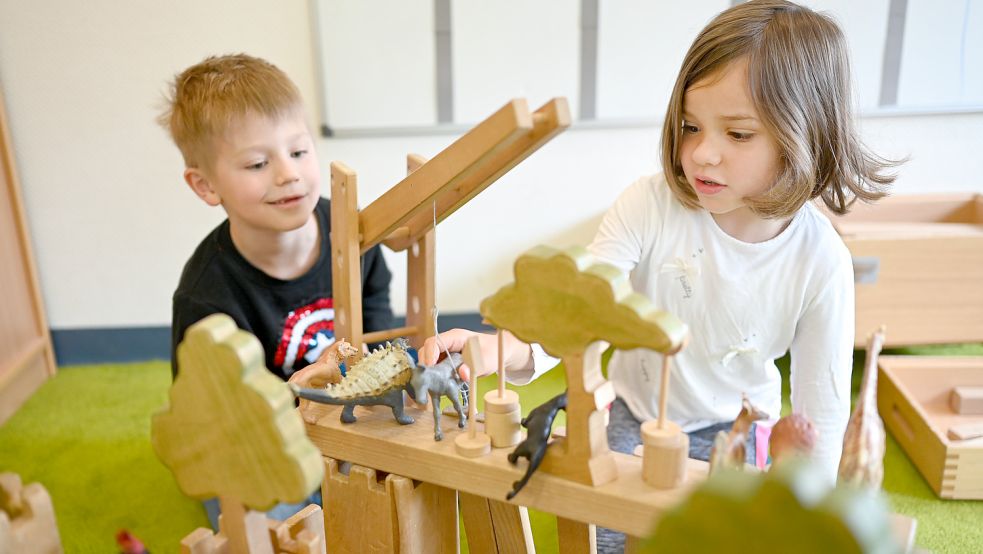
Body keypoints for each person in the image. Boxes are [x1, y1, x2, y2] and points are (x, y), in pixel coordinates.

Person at [422, 2, 899, 549]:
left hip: (741, 428)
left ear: (805, 136)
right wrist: (505, 350)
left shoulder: (822, 262)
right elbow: (579, 308)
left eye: (738, 134)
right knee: (612, 538)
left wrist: (814, 512)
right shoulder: (648, 206)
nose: (702, 153)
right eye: (691, 126)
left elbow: (823, 411)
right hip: (640, 413)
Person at [159, 53, 394, 528]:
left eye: (299, 152)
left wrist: (376, 371)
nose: (287, 174)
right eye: (258, 163)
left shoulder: (352, 231)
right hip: (266, 433)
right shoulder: (206, 297)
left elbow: (378, 305)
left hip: (345, 411)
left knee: (397, 489)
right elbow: (214, 410)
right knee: (267, 517)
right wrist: (298, 396)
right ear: (205, 185)